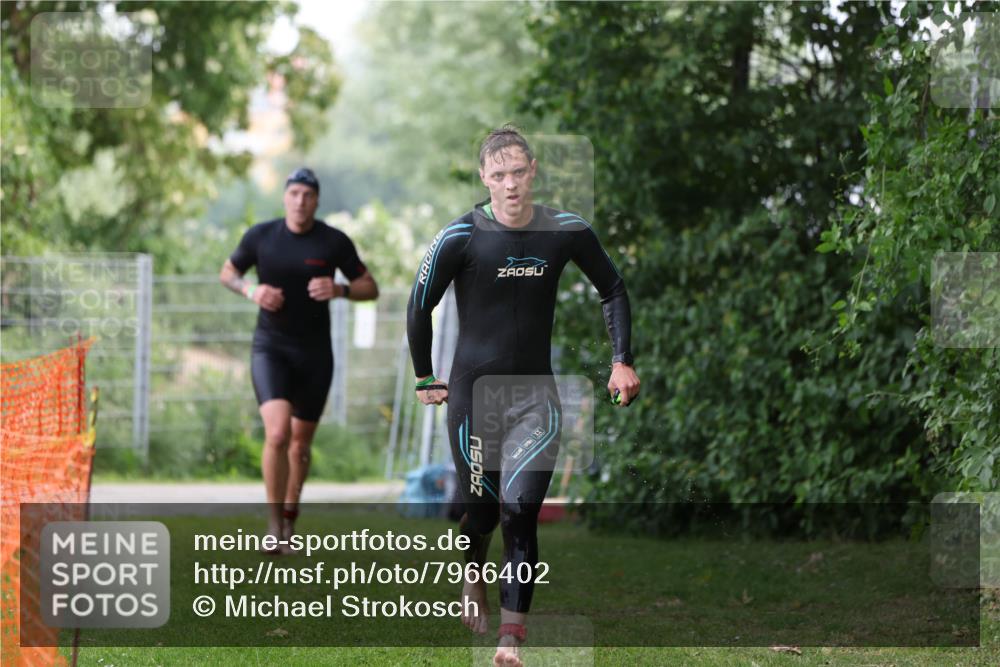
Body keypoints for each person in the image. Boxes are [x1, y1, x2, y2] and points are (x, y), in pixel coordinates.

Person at [406, 127, 639, 666]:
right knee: (482, 513)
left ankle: (512, 638)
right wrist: (425, 376)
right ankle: (473, 573)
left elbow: (614, 287)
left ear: (532, 170)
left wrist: (621, 359)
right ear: (484, 179)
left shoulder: (566, 231)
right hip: (472, 398)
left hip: (536, 397)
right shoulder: (459, 236)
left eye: (517, 172)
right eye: (498, 175)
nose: (509, 184)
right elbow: (421, 304)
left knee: (520, 510)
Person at [220, 167, 379, 554]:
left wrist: (339, 289)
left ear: (317, 200)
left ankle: (290, 517)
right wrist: (251, 290)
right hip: (270, 349)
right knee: (276, 434)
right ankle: (274, 529)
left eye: (307, 195)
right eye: (294, 193)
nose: (300, 201)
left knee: (299, 446)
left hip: (314, 355)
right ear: (285, 197)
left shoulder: (333, 241)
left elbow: (370, 287)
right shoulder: (261, 236)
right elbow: (228, 273)